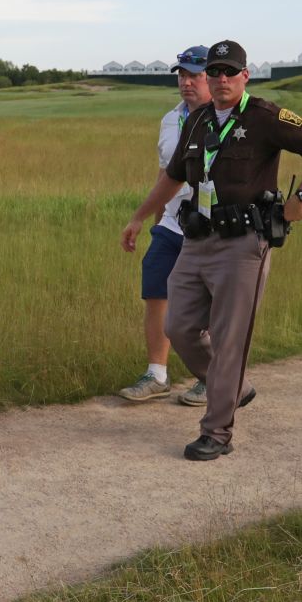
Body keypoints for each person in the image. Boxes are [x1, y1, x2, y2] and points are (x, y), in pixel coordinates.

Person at [120, 40, 302, 461]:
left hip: (244, 243)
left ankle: (217, 432)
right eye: (214, 72)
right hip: (197, 237)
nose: (221, 79)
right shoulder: (198, 119)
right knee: (180, 327)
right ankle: (235, 387)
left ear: (245, 75)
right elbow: (172, 177)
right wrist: (138, 217)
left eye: (230, 72)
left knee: (228, 338)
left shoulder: (265, 116)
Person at [118, 45, 212, 406]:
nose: (186, 83)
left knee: (208, 300)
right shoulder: (170, 119)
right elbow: (165, 174)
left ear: (213, 77)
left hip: (212, 227)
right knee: (156, 290)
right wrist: (152, 221)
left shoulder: (226, 118)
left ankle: (209, 375)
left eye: (194, 75)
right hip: (173, 224)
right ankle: (157, 375)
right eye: (182, 76)